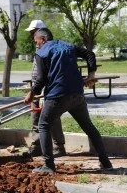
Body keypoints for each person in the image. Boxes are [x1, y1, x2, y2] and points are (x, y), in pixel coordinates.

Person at [24, 28, 113, 174]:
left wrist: (31, 94)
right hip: (77, 94)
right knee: (88, 126)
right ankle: (106, 162)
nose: (36, 45)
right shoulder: (68, 46)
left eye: (36, 42)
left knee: (44, 125)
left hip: (57, 95)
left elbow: (41, 79)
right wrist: (91, 75)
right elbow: (89, 54)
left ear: (43, 39)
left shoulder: (41, 53)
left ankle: (48, 165)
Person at [23, 20, 66, 158]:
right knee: (35, 117)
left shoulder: (50, 48)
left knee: (52, 118)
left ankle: (58, 146)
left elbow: (48, 73)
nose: (31, 35)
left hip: (47, 89)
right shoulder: (38, 46)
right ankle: (37, 147)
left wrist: (42, 92)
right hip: (37, 87)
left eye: (32, 32)